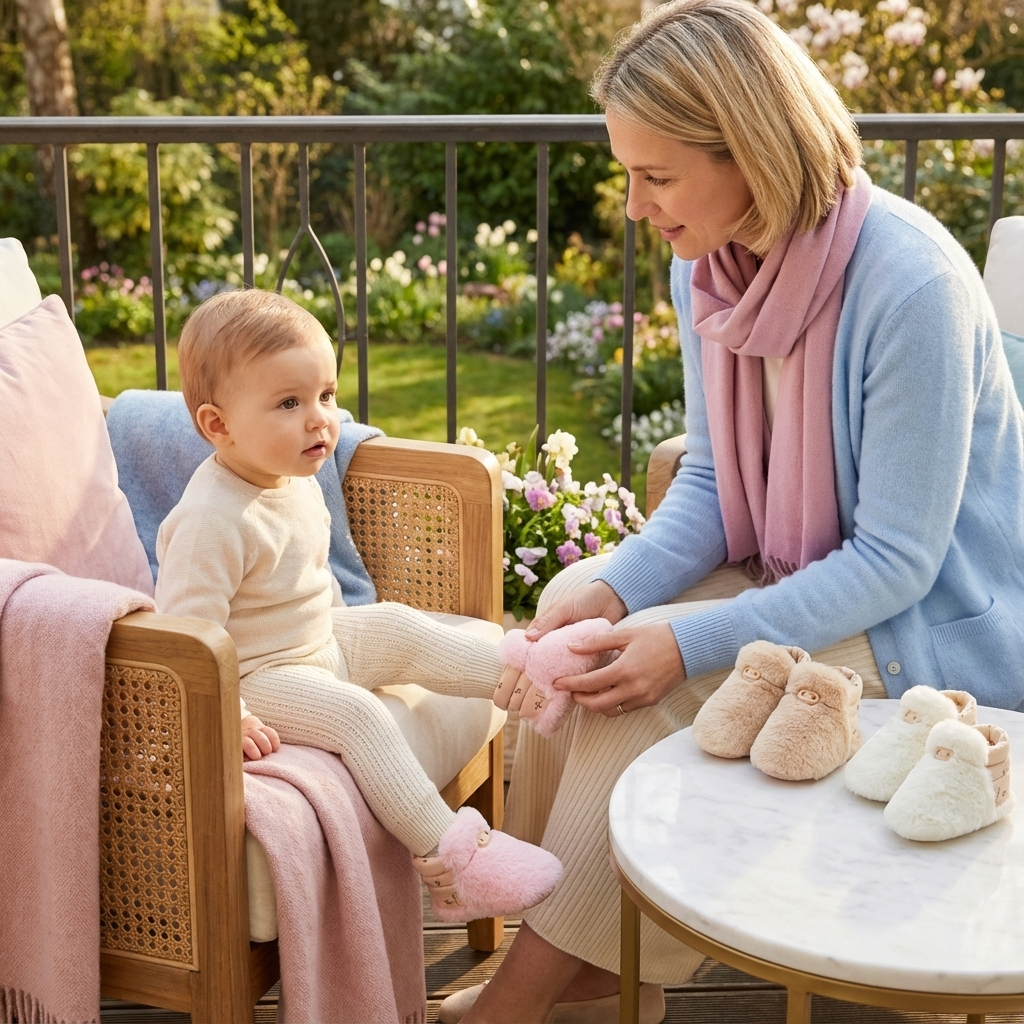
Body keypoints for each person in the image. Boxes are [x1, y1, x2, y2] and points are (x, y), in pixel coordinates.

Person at [440, 0, 1024, 1021]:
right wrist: (610, 586)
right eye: (628, 171)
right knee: (577, 649)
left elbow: (896, 559)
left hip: (929, 627)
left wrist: (685, 639)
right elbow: (709, 486)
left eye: (655, 175)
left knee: (655, 695)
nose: (632, 205)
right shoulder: (704, 263)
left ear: (749, 150)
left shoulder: (911, 282)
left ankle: (522, 1000)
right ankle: (593, 976)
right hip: (802, 579)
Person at [155, 288, 562, 922]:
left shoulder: (290, 475)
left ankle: (532, 678)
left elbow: (302, 593)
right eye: (288, 403)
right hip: (262, 678)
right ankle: (458, 862)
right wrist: (228, 712)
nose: (319, 419)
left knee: (400, 626)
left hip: (318, 640)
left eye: (325, 395)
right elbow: (186, 634)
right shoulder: (212, 519)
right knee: (358, 716)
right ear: (218, 425)